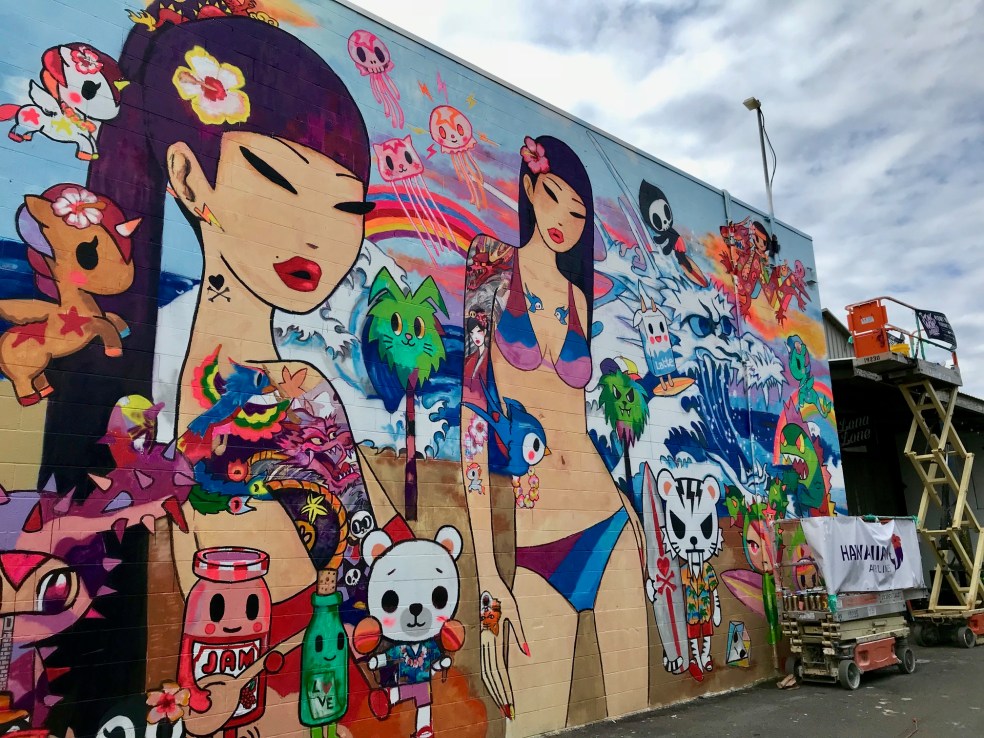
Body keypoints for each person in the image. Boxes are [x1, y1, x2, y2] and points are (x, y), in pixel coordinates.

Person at [87, 7, 399, 735]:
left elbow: (368, 556)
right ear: (188, 177)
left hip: (319, 680)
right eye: (277, 180)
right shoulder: (151, 412)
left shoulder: (302, 394)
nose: (316, 233)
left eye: (345, 205)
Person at [460, 135, 650, 734]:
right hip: (538, 546)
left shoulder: (579, 300)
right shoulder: (490, 267)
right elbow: (473, 418)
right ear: (527, 188)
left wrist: (624, 496)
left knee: (639, 715)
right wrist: (488, 578)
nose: (565, 219)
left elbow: (577, 422)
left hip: (608, 523)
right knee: (531, 723)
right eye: (553, 197)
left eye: (578, 212)